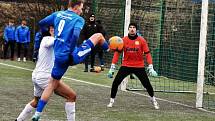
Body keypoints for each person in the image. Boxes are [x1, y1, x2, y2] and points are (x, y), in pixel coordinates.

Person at [31, 0, 109, 121]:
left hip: (59, 56)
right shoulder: (78, 19)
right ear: (76, 7)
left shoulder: (58, 14)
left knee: (52, 84)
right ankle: (110, 48)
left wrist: (47, 33)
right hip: (72, 55)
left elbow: (42, 23)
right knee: (98, 36)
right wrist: (72, 50)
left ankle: (37, 114)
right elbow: (76, 35)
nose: (81, 11)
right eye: (81, 8)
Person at [107, 23, 159, 109]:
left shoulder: (142, 40)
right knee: (116, 82)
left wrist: (151, 67)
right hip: (126, 65)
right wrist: (112, 67)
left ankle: (153, 99)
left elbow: (147, 54)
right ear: (128, 29)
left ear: (136, 30)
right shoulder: (122, 40)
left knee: (147, 84)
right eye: (130, 27)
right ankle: (111, 101)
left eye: (134, 27)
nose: (132, 29)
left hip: (139, 66)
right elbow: (117, 54)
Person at [15, 26, 55, 121]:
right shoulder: (47, 39)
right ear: (49, 31)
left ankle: (18, 120)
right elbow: (53, 41)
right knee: (71, 95)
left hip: (37, 76)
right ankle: (37, 116)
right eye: (51, 28)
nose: (53, 29)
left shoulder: (50, 39)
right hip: (44, 77)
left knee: (36, 101)